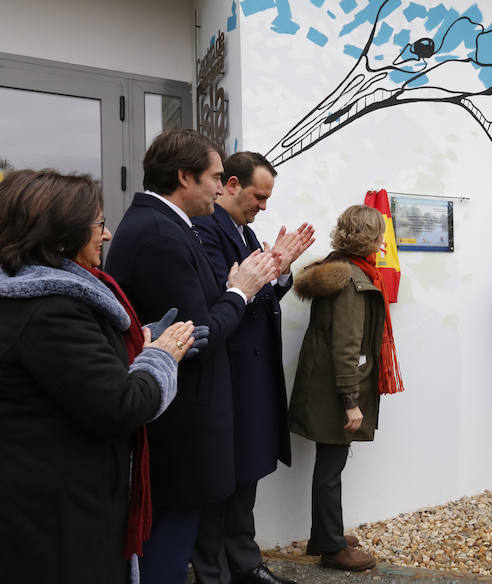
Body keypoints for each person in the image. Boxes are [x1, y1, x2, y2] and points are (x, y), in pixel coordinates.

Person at [0, 169, 194, 584]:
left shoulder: (35, 296)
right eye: (99, 224)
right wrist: (160, 358)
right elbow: (119, 404)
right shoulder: (49, 309)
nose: (106, 236)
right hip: (59, 516)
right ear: (60, 235)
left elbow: (74, 378)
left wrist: (134, 347)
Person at [105, 129, 281, 583]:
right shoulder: (161, 234)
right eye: (216, 178)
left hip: (180, 419)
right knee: (166, 546)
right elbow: (197, 335)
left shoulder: (163, 225)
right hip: (180, 427)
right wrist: (241, 292)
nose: (222, 189)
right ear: (184, 177)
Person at [191, 151, 314, 584]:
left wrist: (279, 271)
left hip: (251, 373)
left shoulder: (243, 231)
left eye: (267, 198)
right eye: (258, 196)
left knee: (247, 471)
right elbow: (226, 300)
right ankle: (213, 570)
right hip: (227, 371)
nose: (263, 206)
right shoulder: (205, 230)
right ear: (230, 185)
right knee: (223, 477)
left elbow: (255, 295)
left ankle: (243, 562)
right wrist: (267, 271)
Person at [289, 204, 402, 571]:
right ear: (369, 238)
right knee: (330, 467)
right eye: (380, 236)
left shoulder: (338, 268)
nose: (383, 243)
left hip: (322, 385)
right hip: (335, 390)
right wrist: (352, 401)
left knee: (329, 463)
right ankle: (333, 548)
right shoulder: (352, 282)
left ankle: (325, 534)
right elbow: (347, 347)